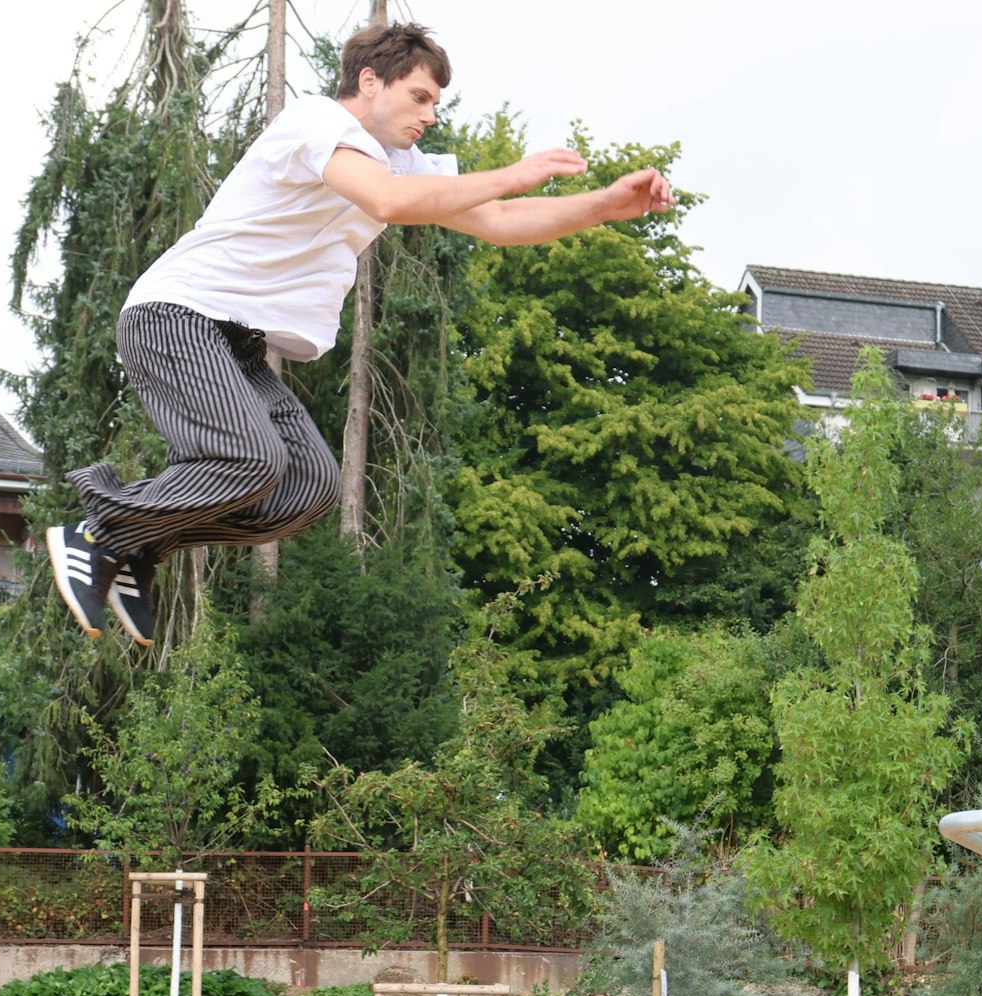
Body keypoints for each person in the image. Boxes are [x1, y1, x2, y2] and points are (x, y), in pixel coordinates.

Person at [46, 20, 675, 644]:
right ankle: (100, 532)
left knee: (307, 487)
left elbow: (500, 219)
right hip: (177, 315)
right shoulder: (317, 124)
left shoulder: (402, 161)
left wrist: (603, 205)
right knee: (249, 458)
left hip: (238, 342)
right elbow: (391, 202)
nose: (429, 115)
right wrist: (515, 169)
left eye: (436, 103)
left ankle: (135, 549)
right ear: (370, 81)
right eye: (419, 97)